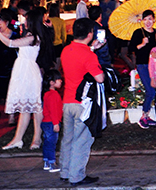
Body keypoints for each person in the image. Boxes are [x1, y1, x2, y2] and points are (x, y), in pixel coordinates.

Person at [59, 18, 104, 186]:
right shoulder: (88, 55)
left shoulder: (66, 50)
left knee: (68, 138)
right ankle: (76, 175)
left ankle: (65, 171)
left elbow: (78, 59)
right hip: (83, 104)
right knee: (82, 140)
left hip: (68, 101)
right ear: (90, 33)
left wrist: (92, 48)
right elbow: (99, 78)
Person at [0, 9, 46, 150]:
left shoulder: (33, 37)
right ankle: (18, 139)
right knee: (25, 106)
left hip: (28, 72)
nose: (24, 22)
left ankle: (37, 138)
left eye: (26, 19)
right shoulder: (29, 35)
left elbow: (10, 43)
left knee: (35, 105)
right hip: (22, 71)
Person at [128, 10, 156, 128]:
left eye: (150, 19)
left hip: (155, 66)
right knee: (150, 91)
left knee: (154, 90)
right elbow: (131, 49)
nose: (147, 22)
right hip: (143, 65)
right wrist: (142, 44)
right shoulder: (138, 33)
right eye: (145, 19)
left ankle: (147, 116)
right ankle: (143, 117)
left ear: (154, 20)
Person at [41, 69, 63, 172]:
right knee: (52, 143)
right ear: (52, 82)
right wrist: (56, 123)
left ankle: (46, 161)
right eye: (58, 79)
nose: (61, 81)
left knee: (47, 142)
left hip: (46, 122)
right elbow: (53, 110)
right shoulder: (54, 95)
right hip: (51, 122)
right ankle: (52, 163)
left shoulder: (46, 94)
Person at [47, 3, 66, 69]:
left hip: (49, 45)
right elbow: (64, 35)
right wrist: (64, 42)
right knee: (57, 66)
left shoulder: (47, 21)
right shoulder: (61, 21)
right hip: (58, 45)